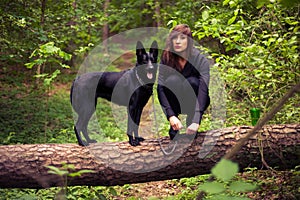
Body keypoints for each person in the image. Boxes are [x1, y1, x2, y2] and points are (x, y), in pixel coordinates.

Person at [157, 24, 210, 140]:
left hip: (193, 101)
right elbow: (160, 88)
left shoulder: (200, 59)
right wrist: (171, 115)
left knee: (193, 82)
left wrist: (196, 119)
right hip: (174, 103)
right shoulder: (166, 58)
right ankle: (175, 125)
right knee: (172, 80)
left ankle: (190, 122)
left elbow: (203, 89)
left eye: (182, 38)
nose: (177, 41)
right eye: (174, 38)